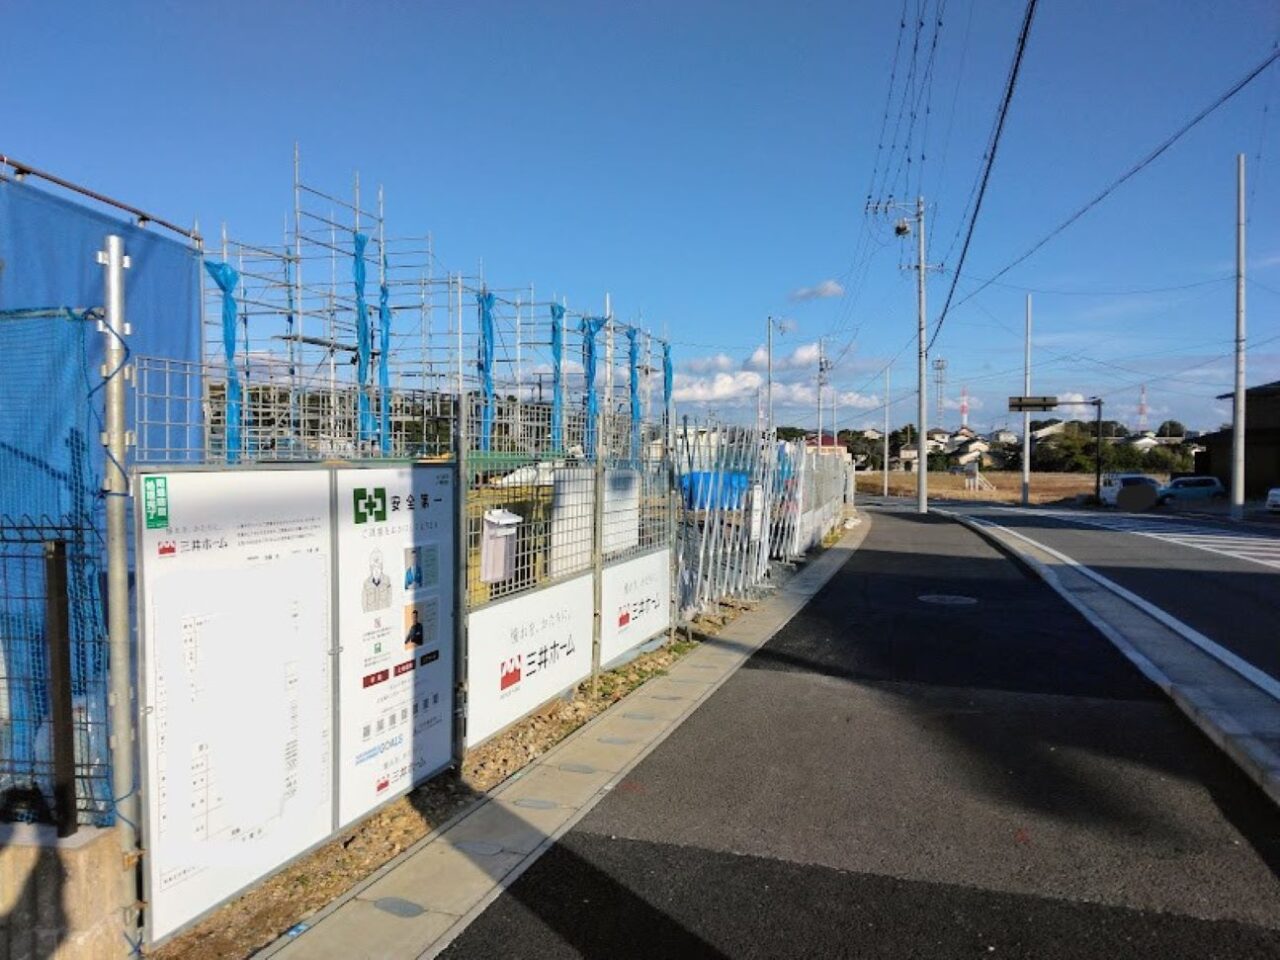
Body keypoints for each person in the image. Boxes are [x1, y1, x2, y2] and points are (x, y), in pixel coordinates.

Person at [362, 548, 392, 613]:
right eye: (373, 567)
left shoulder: (387, 580)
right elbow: (364, 603)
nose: (376, 570)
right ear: (370, 568)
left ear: (382, 567)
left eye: (378, 566)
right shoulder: (366, 583)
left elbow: (390, 600)